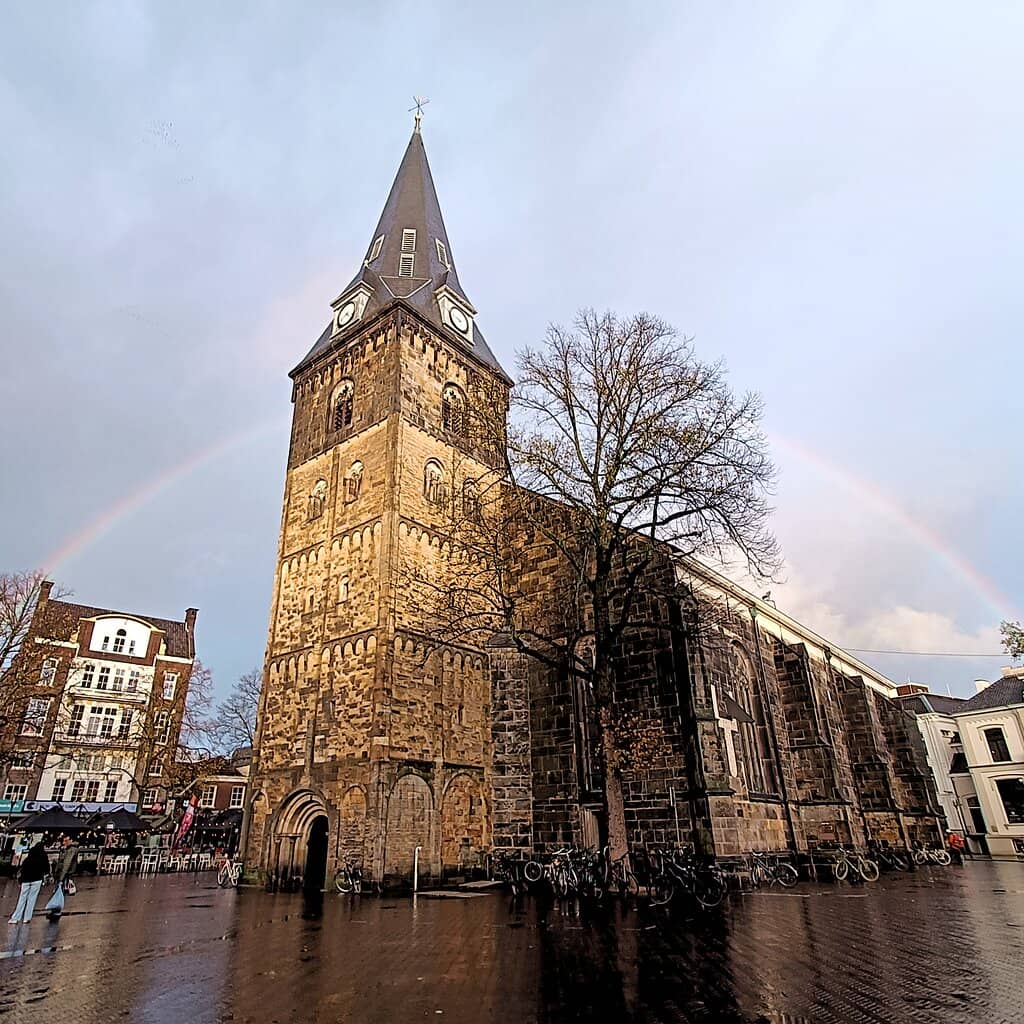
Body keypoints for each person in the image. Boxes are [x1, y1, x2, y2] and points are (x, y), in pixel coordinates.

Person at [9, 840, 50, 925]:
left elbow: (23, 869)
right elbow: (46, 869)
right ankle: (27, 918)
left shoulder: (29, 858)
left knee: (22, 898)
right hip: (37, 880)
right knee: (32, 898)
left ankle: (15, 918)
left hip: (26, 880)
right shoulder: (43, 856)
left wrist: (20, 880)